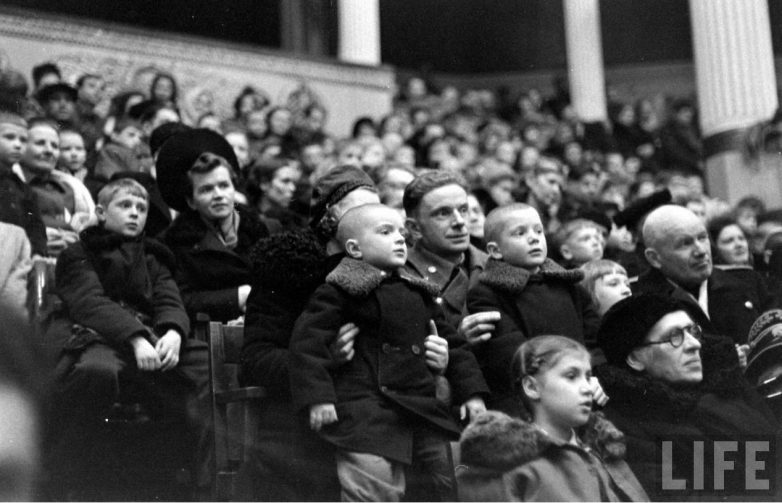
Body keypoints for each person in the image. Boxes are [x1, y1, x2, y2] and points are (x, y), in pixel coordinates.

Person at [289, 203, 488, 501]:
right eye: (385, 232)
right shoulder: (340, 289)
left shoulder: (418, 290)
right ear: (354, 249)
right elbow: (307, 344)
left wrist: (472, 393)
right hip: (365, 406)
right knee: (373, 482)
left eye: (401, 233)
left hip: (420, 404)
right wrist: (318, 398)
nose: (399, 239)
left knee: (452, 471)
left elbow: (454, 344)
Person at [45, 177, 208, 497]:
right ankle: (68, 479)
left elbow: (169, 300)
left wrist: (174, 332)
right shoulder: (79, 252)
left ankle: (201, 478)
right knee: (96, 372)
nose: (135, 213)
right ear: (102, 213)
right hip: (98, 335)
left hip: (149, 336)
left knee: (207, 366)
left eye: (141, 208)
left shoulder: (154, 256)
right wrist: (135, 338)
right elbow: (90, 302)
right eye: (125, 205)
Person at [238, 165, 382, 500]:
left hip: (376, 410)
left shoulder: (387, 270)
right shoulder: (288, 270)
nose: (371, 221)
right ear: (329, 219)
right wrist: (324, 360)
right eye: (360, 211)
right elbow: (257, 358)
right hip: (304, 413)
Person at [593, 293, 779, 500]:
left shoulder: (727, 384)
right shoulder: (627, 425)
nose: (694, 345)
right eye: (674, 337)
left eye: (692, 332)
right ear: (635, 358)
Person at [457, 336, 648, 502]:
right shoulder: (510, 465)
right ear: (532, 387)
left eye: (588, 377)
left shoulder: (601, 448)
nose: (588, 388)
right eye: (571, 376)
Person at [466, 203, 601, 416]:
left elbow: (594, 338)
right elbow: (511, 352)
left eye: (538, 231)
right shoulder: (487, 293)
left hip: (583, 386)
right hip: (530, 399)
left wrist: (593, 376)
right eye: (520, 233)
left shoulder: (570, 285)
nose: (534, 238)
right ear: (495, 251)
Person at [159, 129, 270, 323]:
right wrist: (237, 296)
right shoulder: (176, 242)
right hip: (209, 330)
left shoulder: (262, 229)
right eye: (206, 189)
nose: (218, 194)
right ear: (191, 201)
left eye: (224, 185)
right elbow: (182, 300)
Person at [634, 204, 775, 344]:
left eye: (702, 237)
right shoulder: (640, 304)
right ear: (655, 258)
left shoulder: (746, 282)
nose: (701, 251)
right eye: (685, 243)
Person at [403, 170, 501, 345]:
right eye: (443, 213)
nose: (460, 221)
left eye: (463, 210)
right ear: (415, 228)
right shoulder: (401, 277)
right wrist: (457, 341)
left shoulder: (495, 266)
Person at [0, 112, 47, 256]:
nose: (18, 145)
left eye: (23, 140)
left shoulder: (23, 188)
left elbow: (36, 228)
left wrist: (38, 255)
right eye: (9, 137)